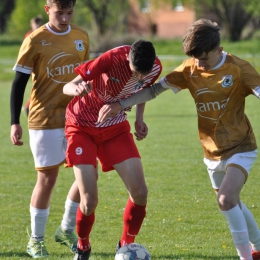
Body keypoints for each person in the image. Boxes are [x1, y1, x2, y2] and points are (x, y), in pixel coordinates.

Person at [98, 19, 260, 260]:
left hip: (241, 146)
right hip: (211, 151)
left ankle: (246, 257)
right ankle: (257, 244)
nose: (199, 63)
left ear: (219, 50)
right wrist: (120, 104)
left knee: (226, 200)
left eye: (204, 58)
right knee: (231, 201)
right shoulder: (189, 69)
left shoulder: (239, 68)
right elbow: (153, 90)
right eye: (196, 58)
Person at [62, 39, 162, 260]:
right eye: (136, 72)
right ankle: (83, 246)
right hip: (81, 126)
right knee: (89, 201)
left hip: (115, 127)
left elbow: (143, 91)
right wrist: (76, 89)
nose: (139, 78)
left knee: (140, 193)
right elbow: (67, 86)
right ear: (127, 59)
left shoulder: (154, 68)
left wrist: (139, 119)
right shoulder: (111, 58)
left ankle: (126, 245)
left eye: (143, 74)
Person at [10, 0, 90, 258]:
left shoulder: (81, 36)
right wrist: (14, 121)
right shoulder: (34, 39)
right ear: (47, 10)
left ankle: (66, 228)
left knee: (88, 176)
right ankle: (35, 240)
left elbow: (88, 75)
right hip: (44, 119)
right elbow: (19, 82)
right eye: (59, 13)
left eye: (69, 13)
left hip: (77, 118)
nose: (65, 18)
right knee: (48, 179)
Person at [23, 15, 43, 116]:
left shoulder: (42, 34)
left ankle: (29, 106)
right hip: (32, 66)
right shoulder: (29, 35)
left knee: (40, 87)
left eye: (39, 23)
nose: (38, 25)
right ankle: (28, 106)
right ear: (32, 24)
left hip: (41, 65)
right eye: (36, 23)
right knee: (38, 87)